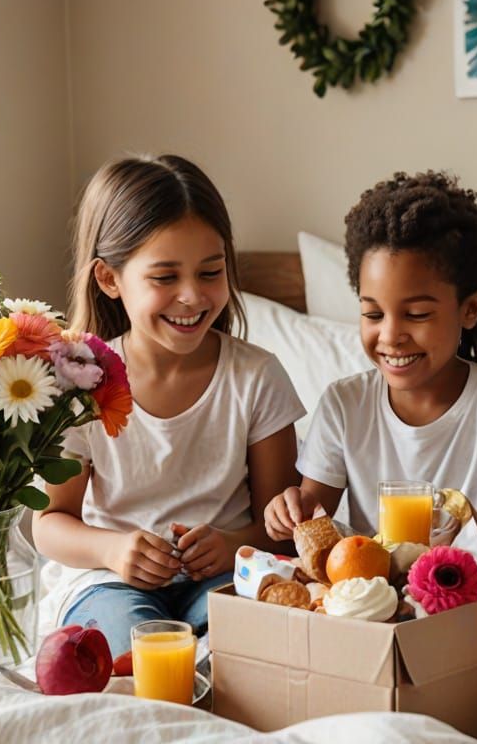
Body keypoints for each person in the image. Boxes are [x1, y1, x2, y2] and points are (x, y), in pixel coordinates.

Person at [34, 154, 305, 656]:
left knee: (252, 645)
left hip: (224, 576)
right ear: (110, 279)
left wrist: (232, 544)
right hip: (109, 582)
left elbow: (283, 530)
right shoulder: (81, 383)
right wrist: (113, 549)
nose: (192, 297)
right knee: (137, 654)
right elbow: (49, 523)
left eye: (210, 272)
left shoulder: (256, 377)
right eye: (164, 278)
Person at [262, 170, 477, 559]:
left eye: (417, 314)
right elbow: (314, 523)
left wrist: (462, 524)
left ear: (470, 308)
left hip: (474, 600)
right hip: (377, 605)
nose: (390, 335)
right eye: (373, 314)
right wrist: (287, 512)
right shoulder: (344, 403)